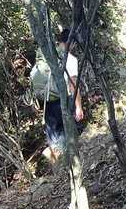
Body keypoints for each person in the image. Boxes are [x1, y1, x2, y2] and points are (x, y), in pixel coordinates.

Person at [30, 27, 85, 166]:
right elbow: (73, 85)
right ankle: (67, 164)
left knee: (53, 137)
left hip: (46, 99)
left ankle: (56, 165)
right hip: (61, 100)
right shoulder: (70, 59)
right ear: (71, 43)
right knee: (67, 134)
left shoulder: (47, 53)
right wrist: (79, 107)